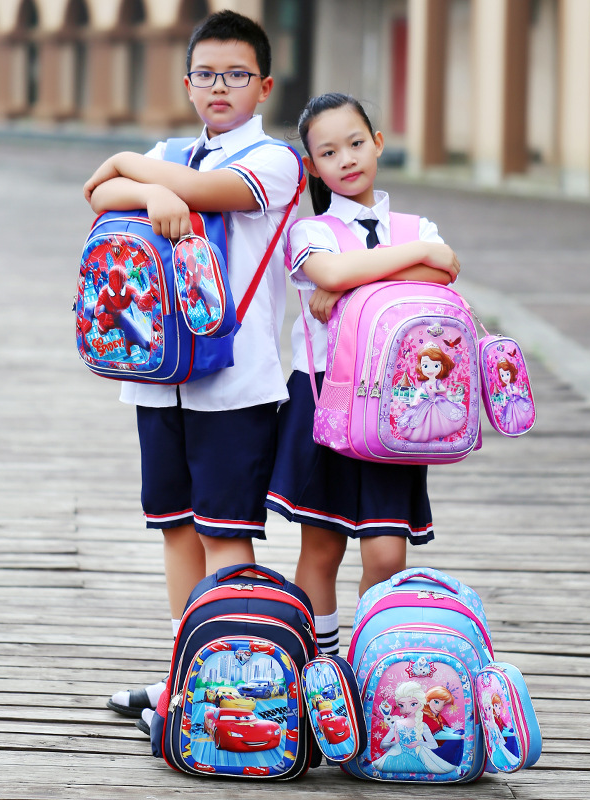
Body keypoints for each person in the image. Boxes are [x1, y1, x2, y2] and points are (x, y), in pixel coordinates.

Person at [82, 10, 302, 728]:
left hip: (236, 382)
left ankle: (228, 689)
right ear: (186, 81)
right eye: (206, 73)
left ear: (263, 85)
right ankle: (185, 684)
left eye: (236, 74)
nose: (219, 87)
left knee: (225, 533)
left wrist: (129, 170)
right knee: (177, 527)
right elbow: (101, 195)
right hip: (155, 371)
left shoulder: (275, 161)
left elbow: (195, 192)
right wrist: (150, 187)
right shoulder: (172, 150)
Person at [264, 93, 460, 657]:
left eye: (355, 143)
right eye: (328, 152)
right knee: (321, 548)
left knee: (386, 556)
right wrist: (411, 260)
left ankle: (367, 670)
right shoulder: (311, 232)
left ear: (377, 143)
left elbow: (446, 266)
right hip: (325, 396)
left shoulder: (415, 224)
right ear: (312, 166)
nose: (346, 159)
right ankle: (318, 671)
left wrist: (355, 283)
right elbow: (331, 269)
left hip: (398, 408)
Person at [372, 682, 456, 774]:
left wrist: (419, 743)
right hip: (396, 757)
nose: (407, 709)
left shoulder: (423, 725)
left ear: (420, 703)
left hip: (416, 759)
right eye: (402, 705)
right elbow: (382, 744)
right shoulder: (397, 724)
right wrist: (394, 742)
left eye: (413, 704)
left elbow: (434, 745)